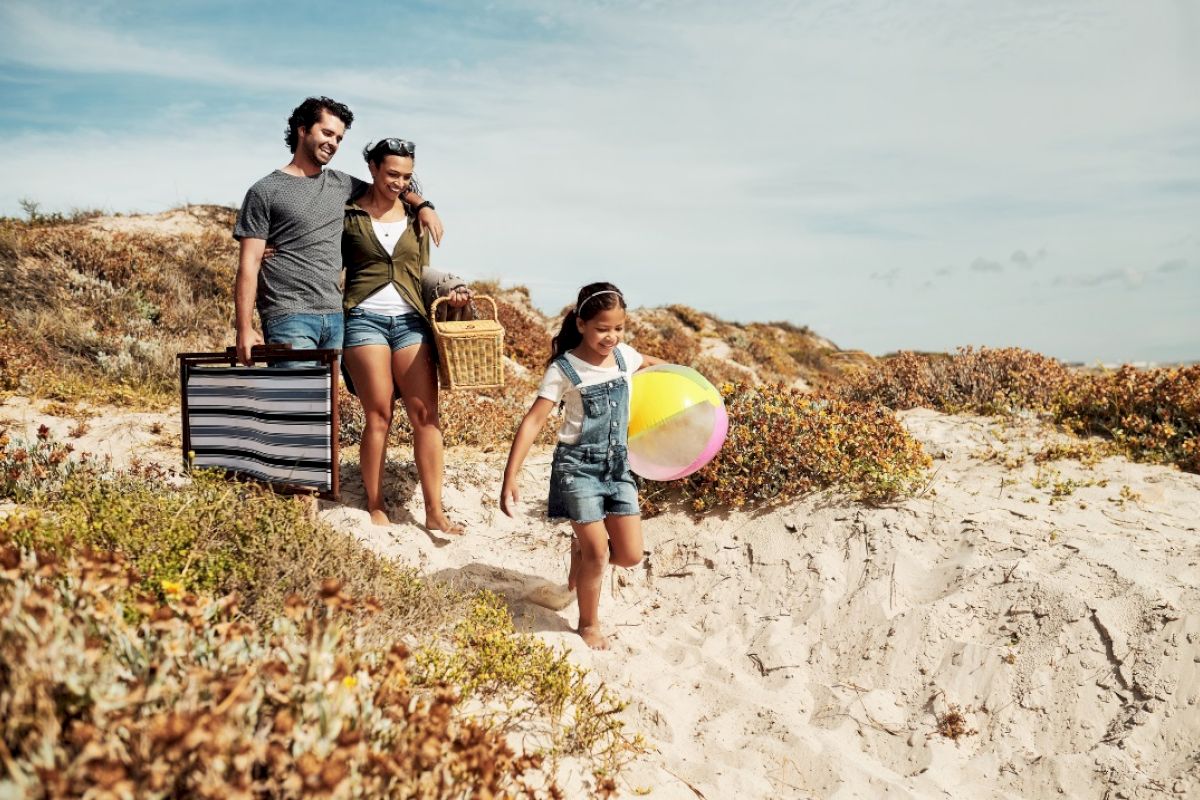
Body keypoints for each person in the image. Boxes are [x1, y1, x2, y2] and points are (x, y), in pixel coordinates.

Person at [500, 283, 663, 649]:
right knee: (599, 554)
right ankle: (588, 624)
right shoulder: (565, 369)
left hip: (619, 470)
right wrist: (511, 476)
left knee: (632, 555)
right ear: (581, 323)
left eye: (619, 328)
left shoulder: (625, 357)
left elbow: (654, 366)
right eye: (603, 328)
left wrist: (688, 380)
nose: (612, 336)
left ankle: (582, 550)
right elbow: (533, 421)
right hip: (578, 469)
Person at [233, 96, 443, 367]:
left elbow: (389, 186)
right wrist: (244, 328)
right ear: (302, 129)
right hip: (288, 314)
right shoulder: (265, 191)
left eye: (339, 138)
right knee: (297, 402)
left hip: (334, 317)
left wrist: (423, 205)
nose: (333, 143)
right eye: (327, 133)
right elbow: (248, 264)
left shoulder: (341, 184)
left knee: (325, 406)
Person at [342, 138, 471, 534]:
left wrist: (452, 291)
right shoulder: (347, 215)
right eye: (391, 174)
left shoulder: (418, 215)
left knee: (426, 416)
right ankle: (375, 502)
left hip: (411, 321)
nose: (398, 182)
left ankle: (434, 511)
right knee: (378, 415)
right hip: (363, 319)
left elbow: (421, 272)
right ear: (373, 169)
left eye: (406, 176)